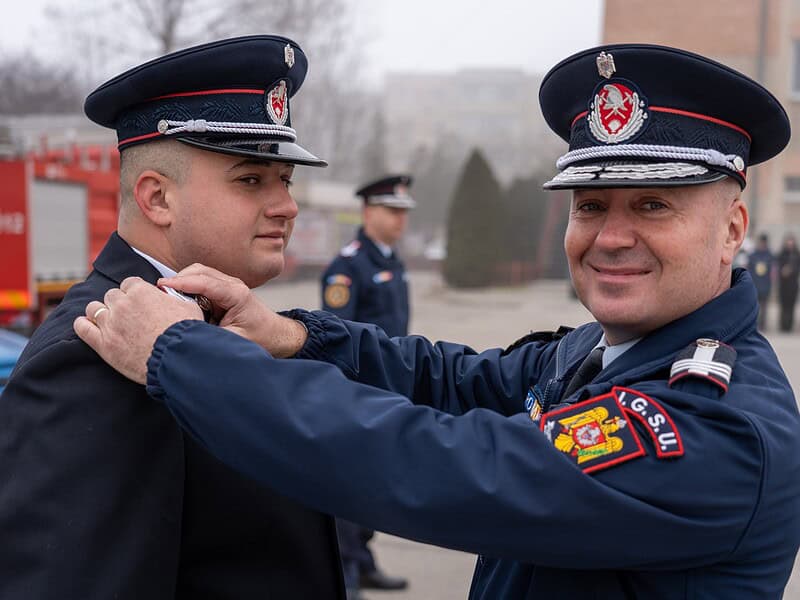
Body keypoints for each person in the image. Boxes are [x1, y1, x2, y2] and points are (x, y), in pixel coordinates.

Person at [75, 44, 800, 597]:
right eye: (590, 205)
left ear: (733, 229)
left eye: (652, 206)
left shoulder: (719, 426)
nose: (610, 236)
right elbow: (451, 382)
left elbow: (443, 464)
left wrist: (181, 355)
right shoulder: (603, 352)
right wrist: (295, 336)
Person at [1, 36, 348, 599]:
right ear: (156, 198)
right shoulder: (89, 355)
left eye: (284, 180)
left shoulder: (227, 322)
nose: (287, 205)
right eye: (251, 179)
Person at [321, 175, 415, 596]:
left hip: (390, 387)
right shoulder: (349, 266)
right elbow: (337, 335)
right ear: (367, 213)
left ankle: (363, 559)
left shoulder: (392, 261)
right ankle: (346, 572)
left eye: (403, 213)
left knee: (377, 484)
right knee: (350, 487)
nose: (400, 221)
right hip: (359, 391)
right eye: (392, 212)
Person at [747, 233, 774, 330]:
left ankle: (763, 325)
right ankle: (753, 325)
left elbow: (773, 272)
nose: (762, 244)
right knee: (754, 307)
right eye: (761, 242)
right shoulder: (753, 255)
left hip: (766, 285)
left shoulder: (770, 256)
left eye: (764, 242)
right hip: (755, 284)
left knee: (765, 307)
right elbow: (748, 269)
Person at [777, 232, 800, 332]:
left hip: (793, 284)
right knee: (783, 305)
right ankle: (783, 325)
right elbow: (777, 266)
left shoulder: (797, 254)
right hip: (783, 284)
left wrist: (791, 270)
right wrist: (782, 270)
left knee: (791, 305)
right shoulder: (782, 254)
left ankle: (789, 325)